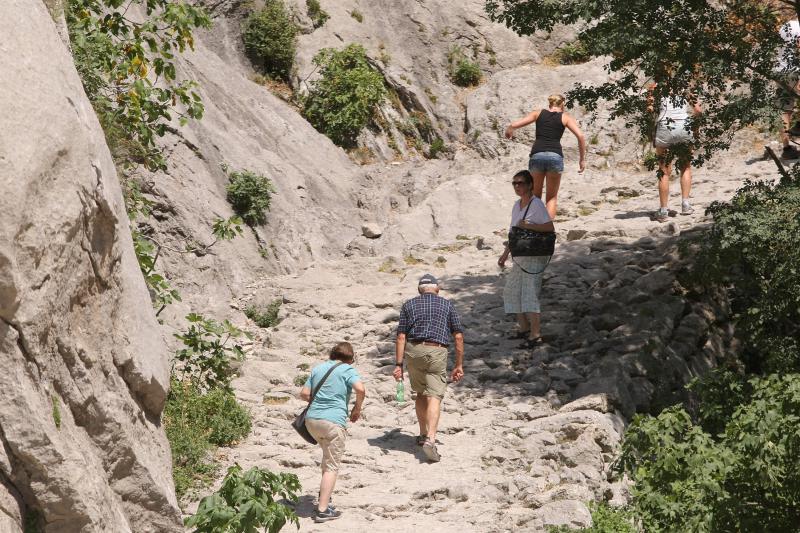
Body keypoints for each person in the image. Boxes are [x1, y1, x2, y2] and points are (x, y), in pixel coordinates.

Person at [392, 274, 464, 463]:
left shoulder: (408, 305)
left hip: (413, 351)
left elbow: (401, 337)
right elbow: (458, 336)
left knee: (420, 393)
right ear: (437, 289)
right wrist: (458, 364)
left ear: (419, 290)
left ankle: (423, 434)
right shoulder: (447, 305)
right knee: (435, 395)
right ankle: (431, 439)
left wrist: (398, 365)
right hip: (436, 351)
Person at [299, 342, 365, 523]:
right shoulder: (347, 369)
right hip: (332, 422)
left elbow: (304, 394)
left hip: (311, 421)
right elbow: (360, 389)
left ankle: (324, 498)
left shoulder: (318, 368)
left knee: (327, 460)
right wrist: (356, 409)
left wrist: (319, 401)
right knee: (331, 466)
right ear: (350, 358)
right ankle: (322, 510)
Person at [504, 94, 587, 219]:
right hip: (555, 156)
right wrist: (582, 160)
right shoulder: (565, 118)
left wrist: (509, 131)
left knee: (535, 196)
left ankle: (532, 227)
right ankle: (547, 232)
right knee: (552, 197)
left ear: (549, 104)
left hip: (537, 155)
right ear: (562, 104)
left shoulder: (538, 113)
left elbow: (514, 125)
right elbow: (580, 136)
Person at [498, 170, 554, 348]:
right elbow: (514, 232)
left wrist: (529, 225)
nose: (517, 186)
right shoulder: (517, 205)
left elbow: (549, 227)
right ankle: (524, 328)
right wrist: (506, 253)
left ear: (530, 185)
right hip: (520, 254)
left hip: (534, 254)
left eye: (520, 183)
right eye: (514, 183)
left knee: (530, 292)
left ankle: (535, 334)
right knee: (511, 291)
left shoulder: (536, 204)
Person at [647, 84, 702, 222]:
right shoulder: (686, 87)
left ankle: (664, 211)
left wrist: (651, 131)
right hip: (684, 125)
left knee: (664, 170)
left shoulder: (654, 87)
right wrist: (695, 130)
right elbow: (698, 110)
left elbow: (650, 110)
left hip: (665, 126)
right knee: (686, 166)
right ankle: (685, 205)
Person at [775, 17, 800, 159]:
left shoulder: (785, 26)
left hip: (780, 70)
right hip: (795, 70)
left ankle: (786, 148)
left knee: (784, 110)